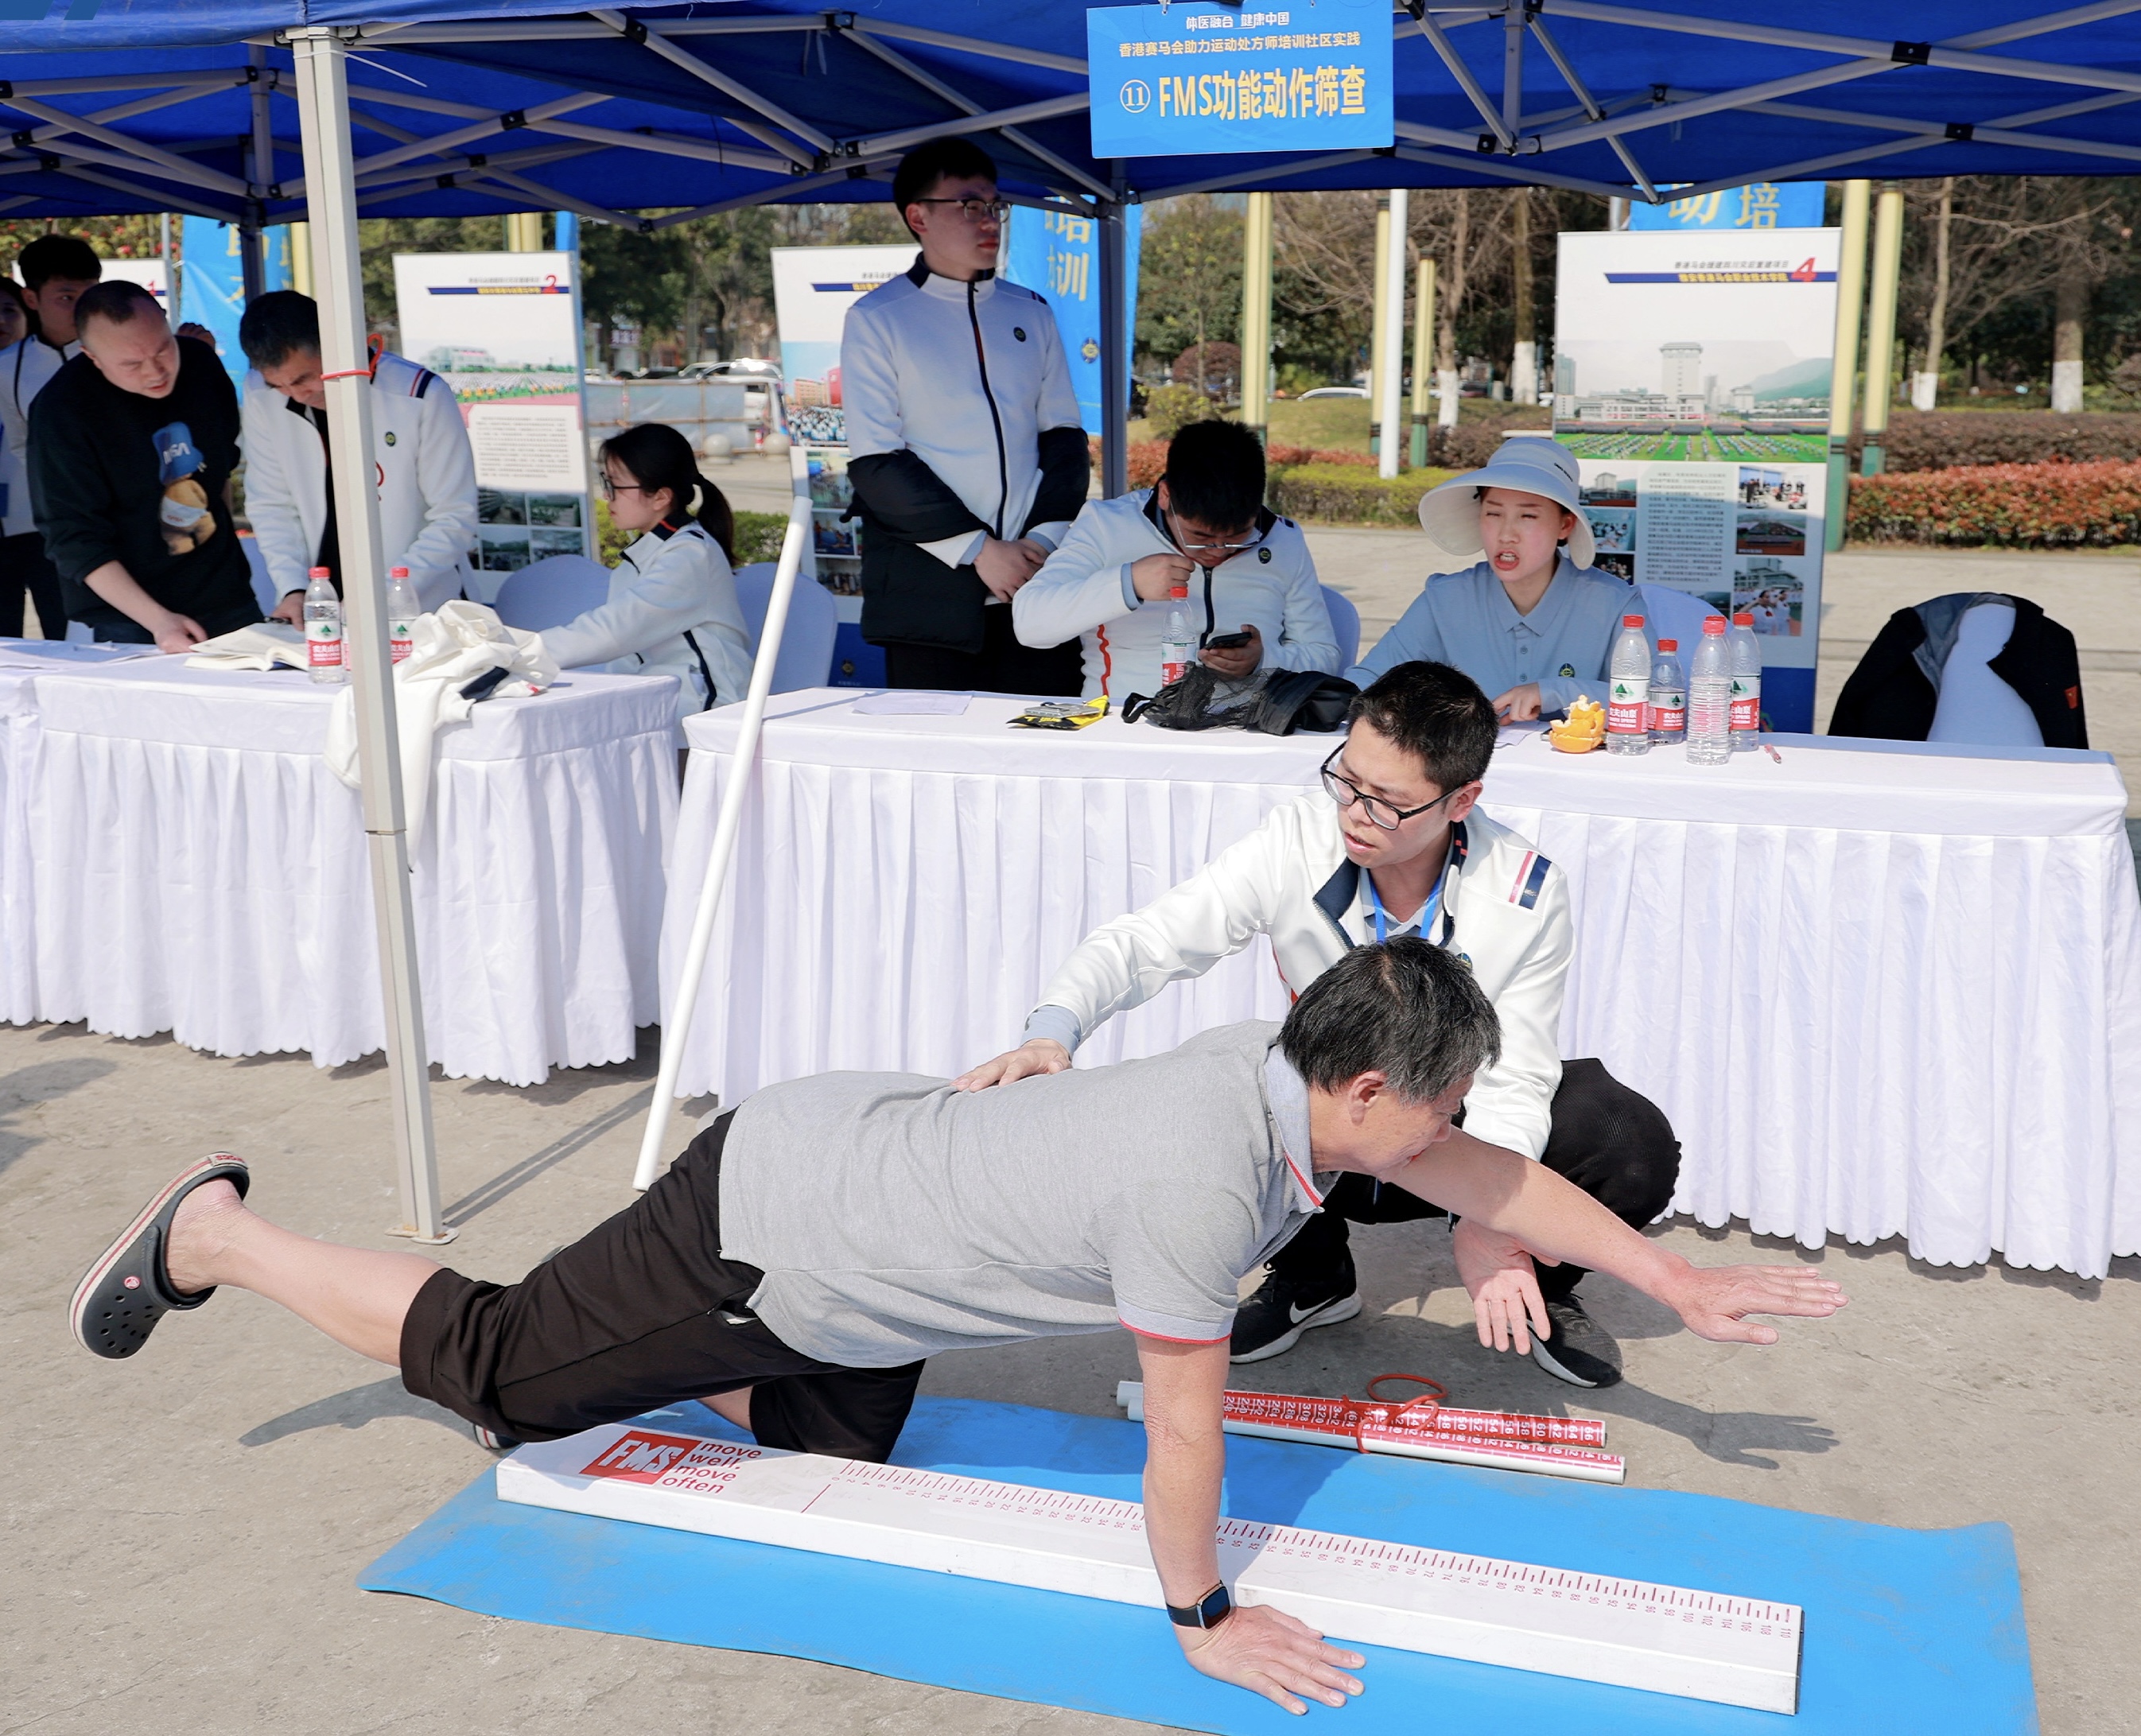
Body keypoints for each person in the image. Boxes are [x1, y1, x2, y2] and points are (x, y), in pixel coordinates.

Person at [74, 940, 1844, 1715]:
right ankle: (217, 1229)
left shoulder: (1295, 1059)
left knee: (833, 1451)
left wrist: (1676, 1280)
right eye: (1433, 1111)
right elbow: (1179, 1430)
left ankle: (618, 1354)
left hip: (875, 1215)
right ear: (1363, 1082)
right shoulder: (1198, 1185)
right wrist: (1200, 1612)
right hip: (777, 1221)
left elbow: (1499, 1176)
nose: (1448, 1144)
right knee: (510, 1371)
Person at [957, 661, 1677, 1388]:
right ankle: (1313, 1272)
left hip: (1444, 1132)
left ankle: (1541, 1288)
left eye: (1389, 803)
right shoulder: (1295, 839)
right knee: (1229, 1086)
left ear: (1463, 799)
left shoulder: (1525, 888)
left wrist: (1491, 1217)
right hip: (1331, 1128)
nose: (1356, 814)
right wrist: (1054, 1029)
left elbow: (1516, 1070)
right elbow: (1152, 939)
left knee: (1626, 1137)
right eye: (1347, 781)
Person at [842, 137, 1090, 694]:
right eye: (969, 205)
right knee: (935, 769)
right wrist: (979, 551)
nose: (989, 221)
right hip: (928, 600)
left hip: (1037, 589)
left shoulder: (1031, 311)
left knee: (1042, 760)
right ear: (918, 215)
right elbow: (877, 463)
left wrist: (1042, 543)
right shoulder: (878, 319)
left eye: (995, 206)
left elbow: (1066, 439)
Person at [1012, 417, 1339, 700]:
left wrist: (1265, 660)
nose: (1218, 551)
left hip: (1245, 726)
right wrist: (1128, 582)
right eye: (1199, 537)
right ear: (1166, 495)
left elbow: (1324, 655)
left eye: (1239, 536)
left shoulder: (1284, 539)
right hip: (1125, 720)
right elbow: (1030, 624)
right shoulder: (1106, 524)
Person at [27, 280, 258, 649]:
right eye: (132, 364)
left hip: (226, 595)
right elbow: (73, 538)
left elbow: (219, 470)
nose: (155, 372)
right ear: (91, 356)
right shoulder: (62, 412)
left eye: (163, 349)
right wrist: (158, 621)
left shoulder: (200, 366)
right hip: (129, 616)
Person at [1349, 439, 1632, 723]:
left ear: (1565, 525)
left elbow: (1659, 703)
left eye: (1528, 516)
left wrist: (1554, 692)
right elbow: (1369, 681)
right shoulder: (1446, 599)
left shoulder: (1616, 604)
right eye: (1494, 513)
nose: (1506, 534)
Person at [238, 290, 479, 619]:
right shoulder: (260, 394)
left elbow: (455, 517)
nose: (296, 395)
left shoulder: (419, 394)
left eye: (304, 379)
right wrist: (292, 588)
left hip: (424, 609)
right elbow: (272, 504)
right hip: (321, 608)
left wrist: (384, 596)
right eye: (278, 386)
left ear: (335, 345)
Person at [541, 421, 754, 724]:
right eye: (606, 483)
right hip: (661, 703)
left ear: (660, 497)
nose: (607, 497)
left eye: (615, 486)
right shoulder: (649, 552)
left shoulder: (689, 555)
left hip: (704, 716)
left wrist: (525, 651)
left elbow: (616, 631)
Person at [0, 235, 101, 640]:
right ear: (31, 298)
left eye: (91, 294)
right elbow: (22, 443)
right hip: (44, 524)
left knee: (84, 636)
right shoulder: (8, 367)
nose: (81, 307)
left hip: (109, 526)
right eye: (66, 296)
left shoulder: (114, 353)